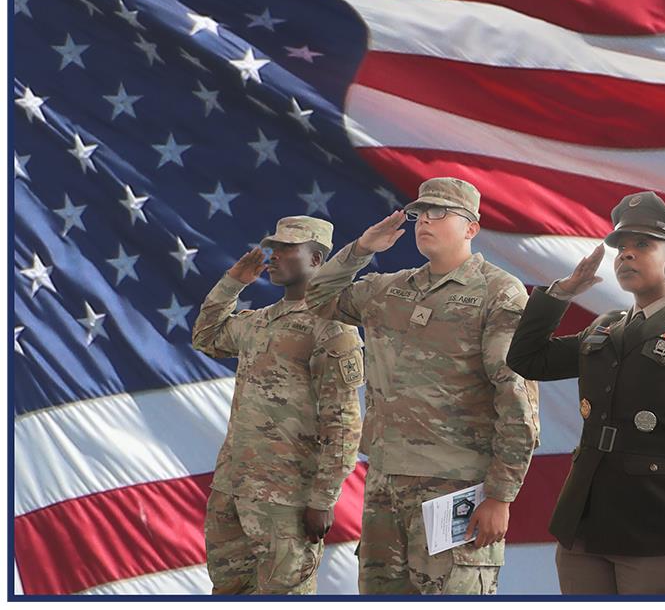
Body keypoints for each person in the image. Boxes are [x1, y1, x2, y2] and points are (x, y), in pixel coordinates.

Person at [304, 177, 539, 595]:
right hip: (385, 484)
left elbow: (516, 401)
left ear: (471, 228)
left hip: (456, 486)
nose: (423, 221)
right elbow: (319, 297)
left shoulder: (499, 293)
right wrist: (362, 249)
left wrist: (501, 495)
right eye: (418, 213)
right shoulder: (388, 289)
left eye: (438, 212)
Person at [507, 192, 665, 595]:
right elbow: (528, 359)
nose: (626, 255)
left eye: (643, 245)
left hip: (656, 529)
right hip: (582, 525)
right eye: (621, 247)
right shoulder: (606, 328)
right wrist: (562, 293)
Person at [192, 215, 364, 595]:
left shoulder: (332, 328)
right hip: (234, 488)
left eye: (288, 249)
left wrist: (323, 498)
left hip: (288, 498)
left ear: (317, 260)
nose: (274, 256)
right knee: (229, 592)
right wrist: (233, 282)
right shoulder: (259, 322)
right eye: (275, 247)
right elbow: (206, 336)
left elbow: (344, 421)